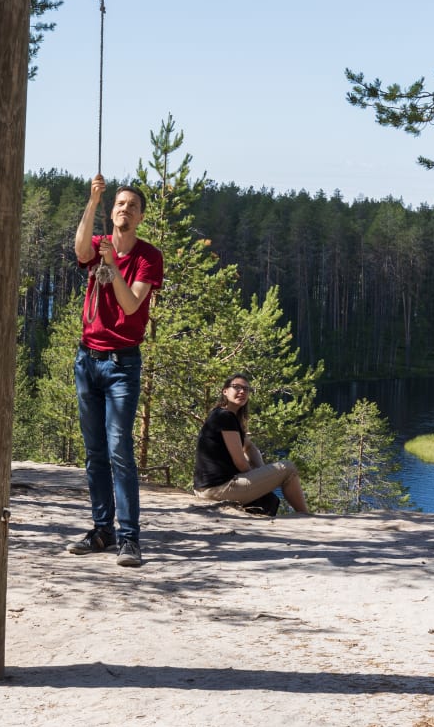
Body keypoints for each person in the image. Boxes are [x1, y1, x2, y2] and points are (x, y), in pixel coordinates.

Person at [67, 174, 164, 567]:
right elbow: (79, 247)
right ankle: (102, 529)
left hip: (122, 363)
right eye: (120, 205)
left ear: (140, 217)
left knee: (120, 450)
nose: (125, 210)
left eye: (132, 207)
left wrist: (112, 264)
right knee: (94, 453)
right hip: (87, 360)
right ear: (113, 212)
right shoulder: (97, 245)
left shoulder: (147, 256)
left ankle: (129, 538)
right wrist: (92, 202)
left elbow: (130, 305)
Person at [193, 373, 311, 516]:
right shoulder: (224, 417)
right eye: (236, 387)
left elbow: (249, 447)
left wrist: (260, 471)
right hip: (217, 490)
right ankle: (305, 514)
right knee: (288, 468)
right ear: (225, 391)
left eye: (246, 389)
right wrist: (257, 475)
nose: (242, 391)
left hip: (209, 488)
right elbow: (240, 462)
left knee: (269, 493)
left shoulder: (221, 415)